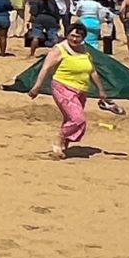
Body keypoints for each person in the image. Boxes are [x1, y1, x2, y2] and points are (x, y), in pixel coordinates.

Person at [25, 24, 100, 158]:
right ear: (67, 35)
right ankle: (58, 140)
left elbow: (92, 71)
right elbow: (45, 68)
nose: (75, 39)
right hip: (62, 87)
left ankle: (62, 147)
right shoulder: (59, 50)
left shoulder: (84, 51)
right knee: (78, 119)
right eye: (72, 35)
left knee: (69, 119)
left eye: (78, 36)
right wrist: (37, 87)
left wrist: (101, 90)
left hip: (81, 89)